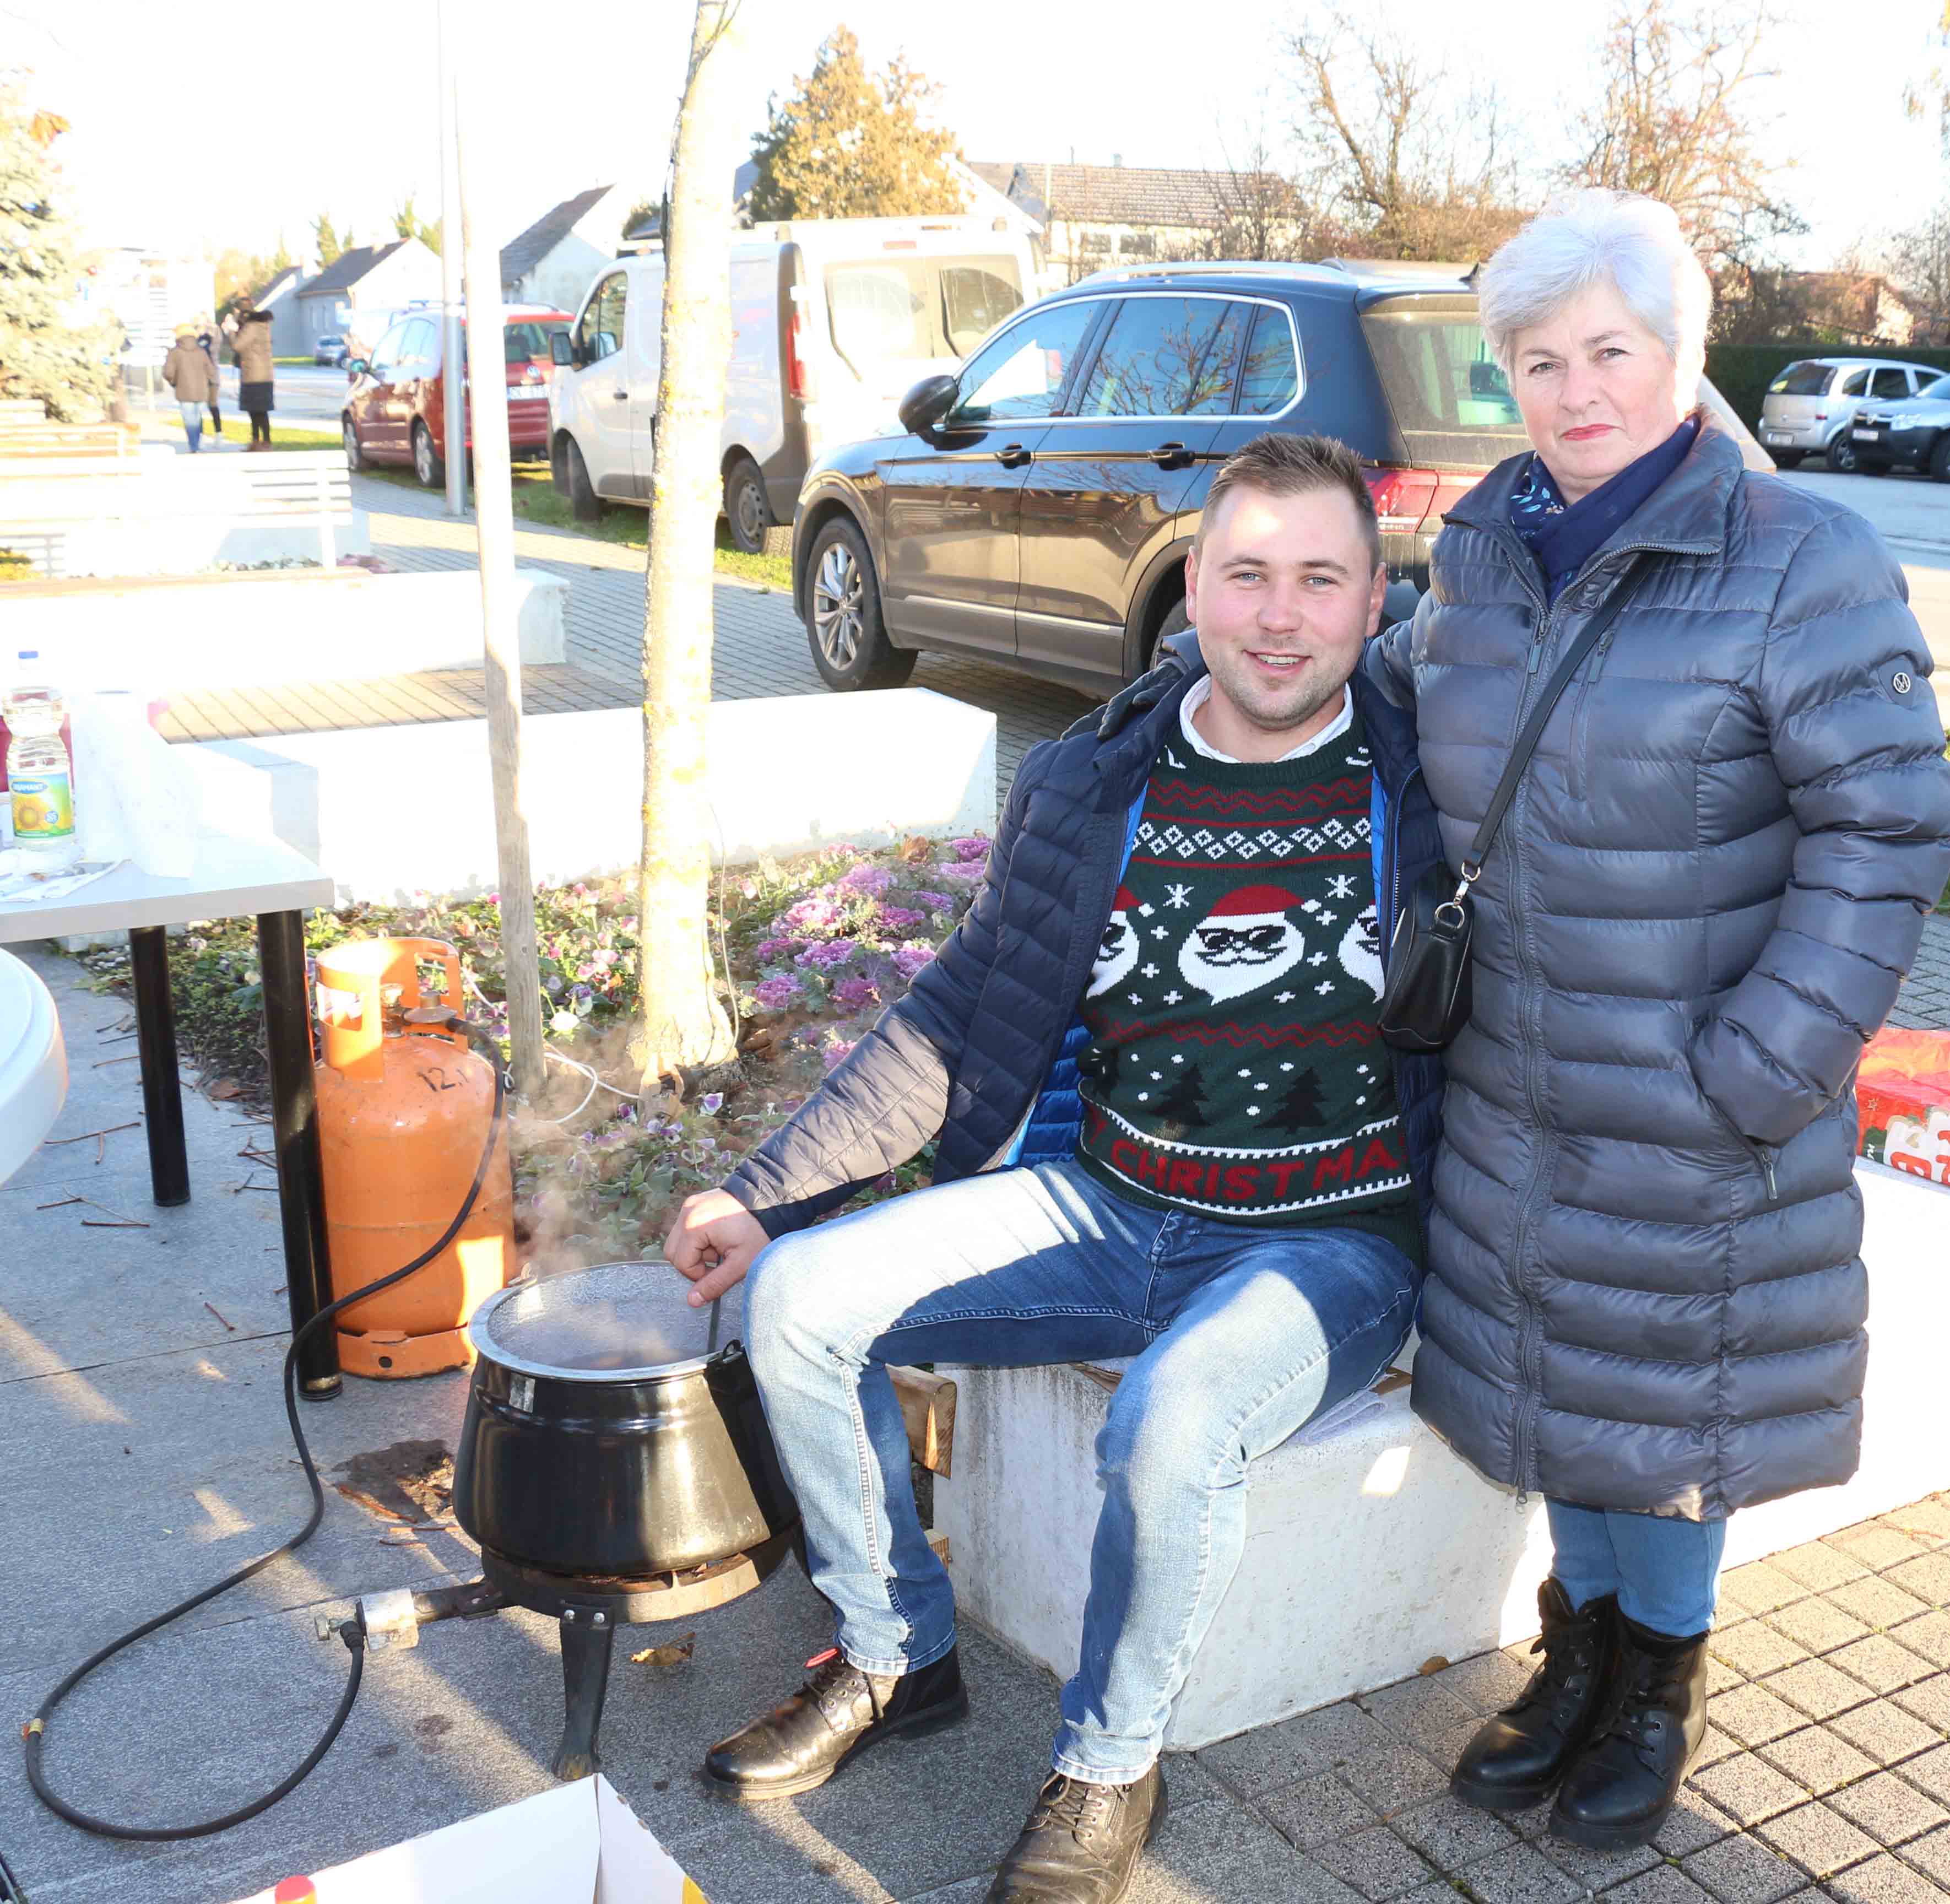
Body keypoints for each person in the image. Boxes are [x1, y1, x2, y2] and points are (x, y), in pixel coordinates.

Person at [665, 433, 1446, 1904]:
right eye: (1246, 574)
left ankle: (1105, 1766)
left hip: (1327, 1243)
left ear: (1369, 602)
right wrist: (766, 1193)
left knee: (1171, 1420)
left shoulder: (1425, 785)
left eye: (1319, 580)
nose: (1279, 614)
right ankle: (898, 1653)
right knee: (797, 1302)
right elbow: (960, 1014)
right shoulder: (1098, 779)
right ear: (1190, 586)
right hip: (1107, 1202)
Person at [1366, 188, 1950, 1850]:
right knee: (1557, 1385)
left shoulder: (1797, 560)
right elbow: (1407, 735)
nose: (1574, 391)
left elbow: (1888, 826)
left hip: (1696, 1095)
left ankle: (1657, 1685)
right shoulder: (1479, 550)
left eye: (1608, 350)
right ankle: (1575, 1658)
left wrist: (1764, 1062)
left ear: (1681, 357)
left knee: (1666, 1413)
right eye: (1537, 360)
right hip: (1511, 1088)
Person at [160, 326, 216, 452]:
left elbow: (168, 373)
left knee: (190, 419)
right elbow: (211, 371)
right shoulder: (202, 352)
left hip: (184, 390)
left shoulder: (175, 353)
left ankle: (194, 446)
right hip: (202, 391)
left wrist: (174, 382)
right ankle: (197, 443)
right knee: (197, 418)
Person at [231, 306, 275, 448]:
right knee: (260, 411)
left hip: (254, 376)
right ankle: (263, 441)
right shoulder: (263, 327)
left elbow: (238, 346)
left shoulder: (251, 328)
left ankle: (260, 442)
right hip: (264, 376)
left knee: (256, 411)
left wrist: (231, 331)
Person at [196, 318, 223, 439]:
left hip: (206, 377)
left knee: (203, 406)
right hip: (212, 377)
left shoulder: (199, 342)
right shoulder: (214, 341)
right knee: (212, 405)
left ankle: (204, 435)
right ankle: (218, 434)